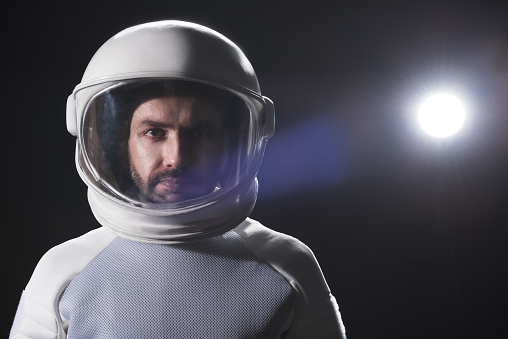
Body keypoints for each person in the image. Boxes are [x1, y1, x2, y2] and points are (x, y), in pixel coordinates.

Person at [10, 20, 347, 338]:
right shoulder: (62, 271)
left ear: (230, 141)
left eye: (200, 132)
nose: (176, 157)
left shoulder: (288, 266)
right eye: (154, 132)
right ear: (121, 142)